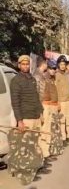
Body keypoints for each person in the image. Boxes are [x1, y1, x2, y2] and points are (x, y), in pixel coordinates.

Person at [8, 55, 49, 184]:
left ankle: (33, 168)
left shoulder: (31, 78)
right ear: (19, 65)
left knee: (34, 144)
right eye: (23, 64)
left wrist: (40, 112)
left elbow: (36, 98)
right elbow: (15, 103)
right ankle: (23, 174)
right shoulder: (16, 81)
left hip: (35, 116)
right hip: (25, 118)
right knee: (24, 147)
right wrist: (19, 121)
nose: (25, 66)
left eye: (27, 64)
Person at [33, 58, 56, 161]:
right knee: (43, 130)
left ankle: (46, 153)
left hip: (46, 104)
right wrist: (40, 109)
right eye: (46, 64)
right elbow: (37, 94)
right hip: (42, 105)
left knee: (47, 128)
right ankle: (42, 154)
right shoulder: (37, 76)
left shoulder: (42, 75)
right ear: (43, 64)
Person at [55, 55, 69, 145]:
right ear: (58, 65)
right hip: (61, 101)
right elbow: (56, 89)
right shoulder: (56, 75)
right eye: (61, 64)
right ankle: (63, 137)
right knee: (62, 120)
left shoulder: (68, 74)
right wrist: (58, 102)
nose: (62, 66)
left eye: (64, 64)